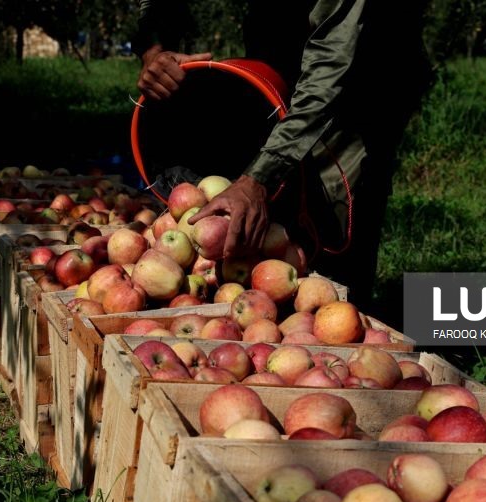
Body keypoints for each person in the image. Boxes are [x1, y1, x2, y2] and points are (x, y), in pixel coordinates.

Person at [132, 0, 432, 309]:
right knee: (268, 212)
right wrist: (154, 50)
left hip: (363, 76)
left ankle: (344, 321)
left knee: (335, 214)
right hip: (277, 50)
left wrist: (258, 179)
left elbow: (330, 66)